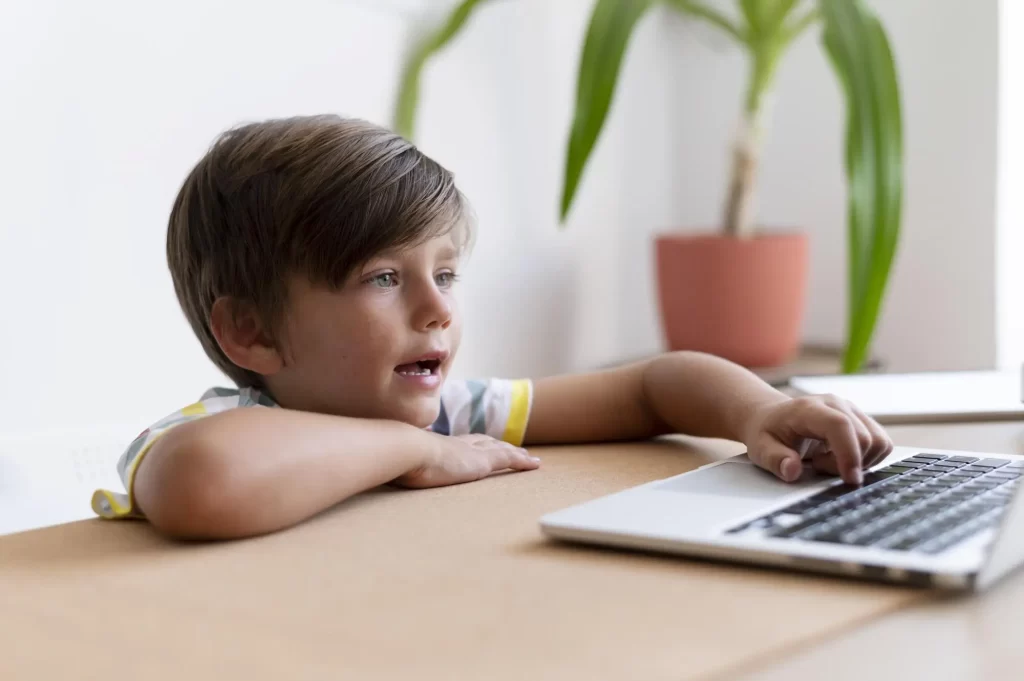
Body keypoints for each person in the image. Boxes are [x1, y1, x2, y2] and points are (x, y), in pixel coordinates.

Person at [92, 115, 892, 540]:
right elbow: (201, 482)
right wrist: (421, 451)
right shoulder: (235, 427)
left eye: (444, 273)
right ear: (253, 334)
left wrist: (758, 411)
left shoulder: (443, 410)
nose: (437, 308)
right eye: (382, 277)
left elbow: (653, 385)